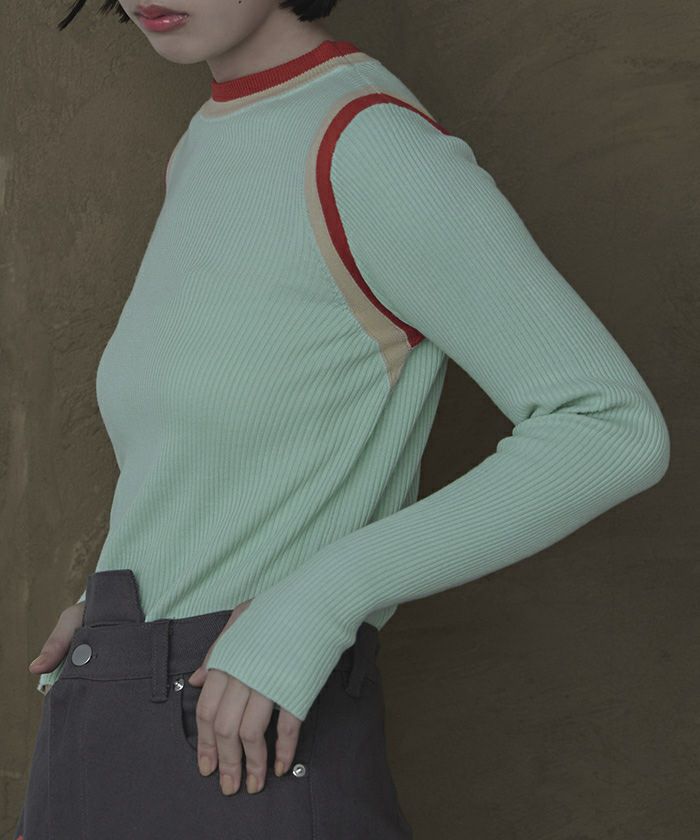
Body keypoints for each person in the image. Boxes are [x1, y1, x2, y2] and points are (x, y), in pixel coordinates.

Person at [16, 0, 670, 837]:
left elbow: (609, 425)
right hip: (108, 716)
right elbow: (218, 448)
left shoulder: (366, 146)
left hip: (240, 734)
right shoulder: (207, 143)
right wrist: (111, 609)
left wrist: (316, 603)